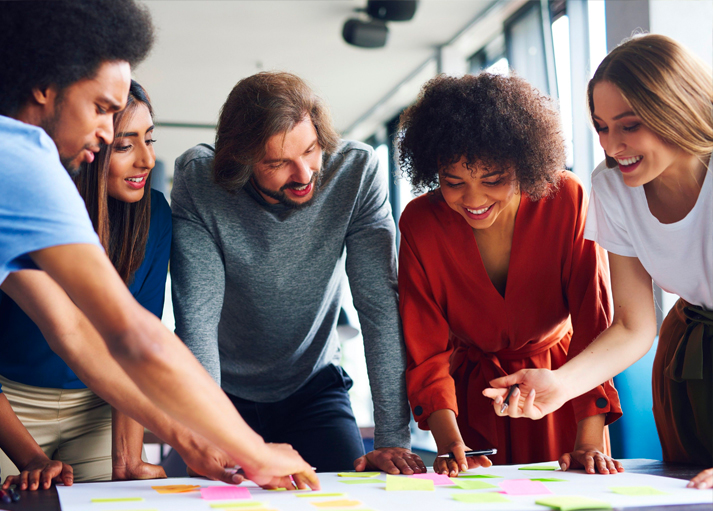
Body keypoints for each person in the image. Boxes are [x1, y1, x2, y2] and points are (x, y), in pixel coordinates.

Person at [0, 0, 317, 490]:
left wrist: (195, 444)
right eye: (102, 109)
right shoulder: (21, 162)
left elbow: (74, 333)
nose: (105, 132)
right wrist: (251, 449)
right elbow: (134, 337)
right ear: (45, 86)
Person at [484, 34, 713, 489]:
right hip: (691, 361)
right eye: (602, 127)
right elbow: (633, 324)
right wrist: (560, 385)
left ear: (677, 109)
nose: (613, 146)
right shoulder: (611, 187)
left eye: (629, 125)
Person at [171, 71, 424, 474]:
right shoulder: (199, 180)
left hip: (314, 387)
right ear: (241, 159)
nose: (304, 174)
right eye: (278, 163)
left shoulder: (355, 173)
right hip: (222, 393)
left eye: (310, 150)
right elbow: (196, 319)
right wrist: (208, 432)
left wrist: (393, 438)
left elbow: (378, 308)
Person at [397, 73, 622, 476]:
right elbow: (425, 349)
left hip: (561, 389)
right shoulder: (420, 222)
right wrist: (451, 444)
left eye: (493, 179)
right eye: (454, 182)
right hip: (468, 403)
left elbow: (595, 325)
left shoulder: (566, 199)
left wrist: (588, 441)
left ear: (523, 161)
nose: (474, 199)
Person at [0, 80, 170, 486]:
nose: (147, 160)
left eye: (149, 140)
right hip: (12, 404)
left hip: (99, 406)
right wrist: (30, 458)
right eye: (126, 146)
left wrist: (128, 460)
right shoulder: (23, 206)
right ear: (92, 146)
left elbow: (135, 346)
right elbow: (68, 330)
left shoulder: (155, 216)